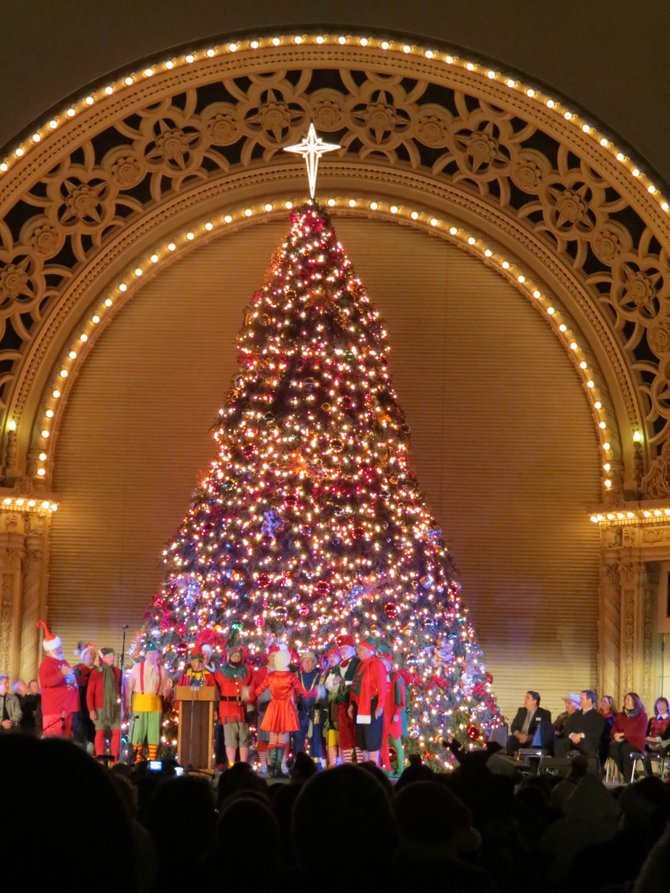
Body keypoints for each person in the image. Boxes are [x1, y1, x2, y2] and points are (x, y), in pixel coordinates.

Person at [250, 645, 316, 778]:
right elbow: (304, 693)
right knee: (283, 740)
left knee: (273, 740)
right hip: (285, 709)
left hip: (273, 709)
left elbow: (258, 691)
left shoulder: (271, 676)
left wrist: (249, 694)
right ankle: (281, 766)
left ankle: (274, 767)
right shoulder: (291, 676)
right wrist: (316, 692)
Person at [126, 640, 169, 763]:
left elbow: (165, 687)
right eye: (149, 653)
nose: (151, 656)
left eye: (154, 654)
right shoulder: (137, 667)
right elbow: (129, 687)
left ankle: (152, 760)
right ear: (145, 655)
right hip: (139, 702)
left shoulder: (162, 670)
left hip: (155, 704)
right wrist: (128, 704)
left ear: (157, 655)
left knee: (153, 733)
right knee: (138, 733)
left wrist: (165, 691)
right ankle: (137, 760)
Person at [37, 619, 79, 737]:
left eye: (60, 647)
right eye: (57, 648)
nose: (60, 649)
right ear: (49, 649)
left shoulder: (63, 661)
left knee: (64, 742)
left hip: (67, 709)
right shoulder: (46, 665)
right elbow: (47, 682)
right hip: (55, 710)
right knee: (53, 742)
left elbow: (70, 681)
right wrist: (61, 674)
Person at [349, 636, 388, 765]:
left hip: (371, 705)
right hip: (360, 707)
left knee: (372, 738)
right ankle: (366, 766)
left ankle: (373, 767)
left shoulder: (377, 664)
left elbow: (382, 686)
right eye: (358, 649)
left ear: (369, 650)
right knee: (363, 738)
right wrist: (351, 705)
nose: (358, 651)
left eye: (361, 649)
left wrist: (380, 706)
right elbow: (356, 687)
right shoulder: (360, 665)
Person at [213, 645, 252, 766]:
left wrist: (247, 701)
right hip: (227, 708)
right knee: (230, 737)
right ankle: (231, 764)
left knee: (244, 736)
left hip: (241, 708)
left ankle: (244, 764)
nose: (236, 658)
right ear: (229, 657)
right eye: (234, 656)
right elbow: (215, 692)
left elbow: (250, 688)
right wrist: (215, 709)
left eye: (238, 656)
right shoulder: (220, 673)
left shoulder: (246, 671)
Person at [87, 647, 123, 763]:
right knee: (100, 732)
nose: (113, 658)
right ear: (103, 658)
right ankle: (100, 758)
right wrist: (91, 710)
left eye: (113, 656)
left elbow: (122, 690)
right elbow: (90, 693)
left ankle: (114, 759)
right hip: (100, 708)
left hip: (114, 708)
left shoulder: (117, 671)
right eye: (110, 656)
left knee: (117, 731)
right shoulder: (96, 672)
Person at [377, 643, 407, 776]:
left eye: (383, 662)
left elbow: (401, 699)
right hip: (382, 716)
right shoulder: (378, 677)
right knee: (382, 744)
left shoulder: (396, 677)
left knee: (397, 744)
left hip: (393, 717)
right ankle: (388, 769)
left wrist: (397, 713)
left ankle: (401, 769)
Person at [555, 689, 604, 769]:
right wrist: (572, 735)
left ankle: (588, 770)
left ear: (589, 700)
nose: (580, 700)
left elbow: (597, 733)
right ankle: (562, 769)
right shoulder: (575, 715)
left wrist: (581, 735)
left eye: (582, 698)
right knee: (559, 743)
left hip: (587, 741)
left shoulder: (598, 717)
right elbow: (567, 729)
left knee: (587, 745)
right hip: (573, 741)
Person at [331, 634, 360, 764]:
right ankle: (347, 762)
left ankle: (360, 761)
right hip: (341, 701)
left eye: (345, 648)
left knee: (356, 730)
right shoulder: (338, 665)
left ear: (352, 649)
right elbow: (331, 683)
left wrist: (343, 681)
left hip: (354, 700)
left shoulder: (357, 662)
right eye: (341, 648)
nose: (343, 651)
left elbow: (358, 680)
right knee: (344, 732)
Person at [609, 691, 648, 781]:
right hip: (621, 742)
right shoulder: (620, 715)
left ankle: (628, 779)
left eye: (628, 700)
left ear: (635, 701)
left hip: (635, 742)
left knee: (625, 750)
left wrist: (623, 734)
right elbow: (614, 728)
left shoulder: (642, 715)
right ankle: (632, 775)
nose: (626, 701)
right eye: (625, 700)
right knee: (612, 748)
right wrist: (614, 734)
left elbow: (639, 732)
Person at [294, 649, 323, 766]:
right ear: (301, 663)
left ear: (314, 663)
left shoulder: (319, 677)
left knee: (315, 738)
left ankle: (316, 764)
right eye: (305, 661)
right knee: (298, 738)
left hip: (314, 711)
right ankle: (299, 764)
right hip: (300, 711)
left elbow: (322, 694)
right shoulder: (296, 676)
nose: (307, 664)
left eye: (310, 661)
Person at [505, 690, 552, 756]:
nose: (524, 699)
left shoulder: (544, 714)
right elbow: (514, 726)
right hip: (519, 738)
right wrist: (518, 734)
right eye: (525, 697)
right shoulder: (521, 711)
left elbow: (544, 730)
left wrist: (528, 738)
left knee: (534, 744)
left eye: (527, 698)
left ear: (535, 701)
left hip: (532, 739)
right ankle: (510, 761)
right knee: (511, 739)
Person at [72, 640, 97, 750]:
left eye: (94, 653)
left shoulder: (97, 670)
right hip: (80, 707)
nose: (93, 656)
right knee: (80, 731)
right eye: (90, 653)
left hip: (94, 707)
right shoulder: (77, 669)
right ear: (84, 656)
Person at [323, 644, 342, 766]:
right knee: (330, 735)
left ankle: (341, 762)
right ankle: (332, 763)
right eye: (329, 657)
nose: (331, 659)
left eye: (334, 656)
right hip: (328, 708)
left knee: (340, 735)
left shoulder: (341, 671)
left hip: (338, 707)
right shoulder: (326, 673)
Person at [643, 696, 670, 777]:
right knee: (643, 752)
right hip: (650, 743)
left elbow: (666, 737)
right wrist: (647, 739)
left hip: (664, 745)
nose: (661, 706)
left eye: (663, 704)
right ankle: (649, 777)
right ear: (656, 706)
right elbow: (646, 734)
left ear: (667, 707)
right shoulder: (652, 719)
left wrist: (656, 740)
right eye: (658, 704)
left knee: (663, 743)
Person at [599, 694, 617, 768]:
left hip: (607, 739)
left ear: (610, 704)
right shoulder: (597, 714)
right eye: (602, 701)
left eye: (605, 701)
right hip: (597, 737)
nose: (602, 703)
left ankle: (600, 768)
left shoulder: (614, 717)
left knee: (602, 745)